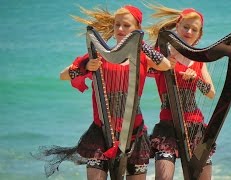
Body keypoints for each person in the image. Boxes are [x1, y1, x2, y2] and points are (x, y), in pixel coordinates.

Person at [34, 5, 172, 180]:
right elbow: (63, 75)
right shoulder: (99, 55)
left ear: (137, 29)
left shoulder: (143, 56)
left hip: (134, 134)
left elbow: (165, 65)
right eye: (117, 25)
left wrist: (140, 43)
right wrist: (85, 66)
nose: (120, 29)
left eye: (127, 26)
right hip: (101, 132)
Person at [146, 4, 216, 180]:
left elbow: (211, 93)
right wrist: (164, 64)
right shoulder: (161, 55)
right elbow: (145, 70)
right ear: (177, 26)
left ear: (199, 35)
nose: (189, 32)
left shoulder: (199, 61)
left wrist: (197, 80)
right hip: (167, 127)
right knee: (163, 177)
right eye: (186, 27)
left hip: (196, 128)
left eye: (194, 29)